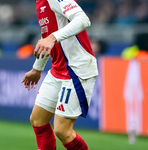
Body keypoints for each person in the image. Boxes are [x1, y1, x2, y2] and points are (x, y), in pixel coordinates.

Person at [21, 0, 98, 150]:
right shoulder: (40, 3)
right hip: (58, 69)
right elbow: (47, 38)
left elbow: (83, 19)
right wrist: (37, 69)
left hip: (76, 69)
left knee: (62, 130)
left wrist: (52, 37)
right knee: (38, 120)